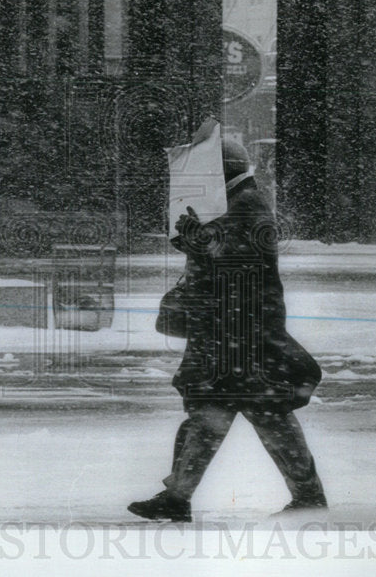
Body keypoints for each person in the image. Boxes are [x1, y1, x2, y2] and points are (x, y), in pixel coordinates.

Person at [128, 138, 327, 523]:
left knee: (245, 415)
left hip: (240, 334)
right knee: (231, 415)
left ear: (223, 175)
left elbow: (236, 265)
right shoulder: (231, 204)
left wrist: (199, 244)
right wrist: (194, 241)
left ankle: (182, 496)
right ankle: (179, 495)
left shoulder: (246, 206)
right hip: (232, 332)